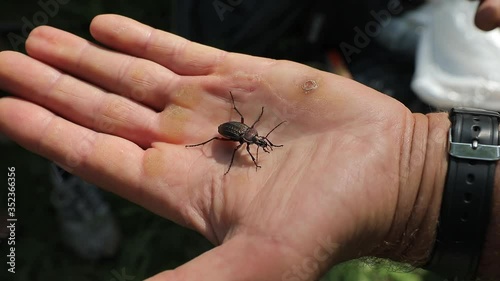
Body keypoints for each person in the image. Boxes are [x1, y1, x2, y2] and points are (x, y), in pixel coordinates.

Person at [0, 2, 499, 280]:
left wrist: (419, 182)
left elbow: (250, 137)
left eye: (257, 143)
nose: (258, 143)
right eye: (257, 142)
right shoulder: (239, 138)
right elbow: (241, 132)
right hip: (223, 131)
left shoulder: (248, 142)